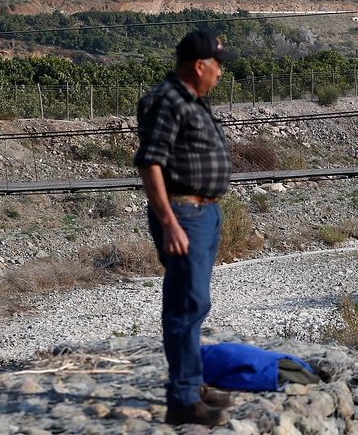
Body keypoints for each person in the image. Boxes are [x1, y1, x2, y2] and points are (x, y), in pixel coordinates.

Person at [134, 29, 238, 426]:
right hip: (184, 215)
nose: (220, 74)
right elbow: (150, 162)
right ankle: (182, 399)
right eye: (217, 66)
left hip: (203, 213)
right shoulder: (167, 102)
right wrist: (169, 221)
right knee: (185, 303)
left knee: (196, 303)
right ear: (199, 65)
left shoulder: (192, 100)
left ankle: (192, 385)